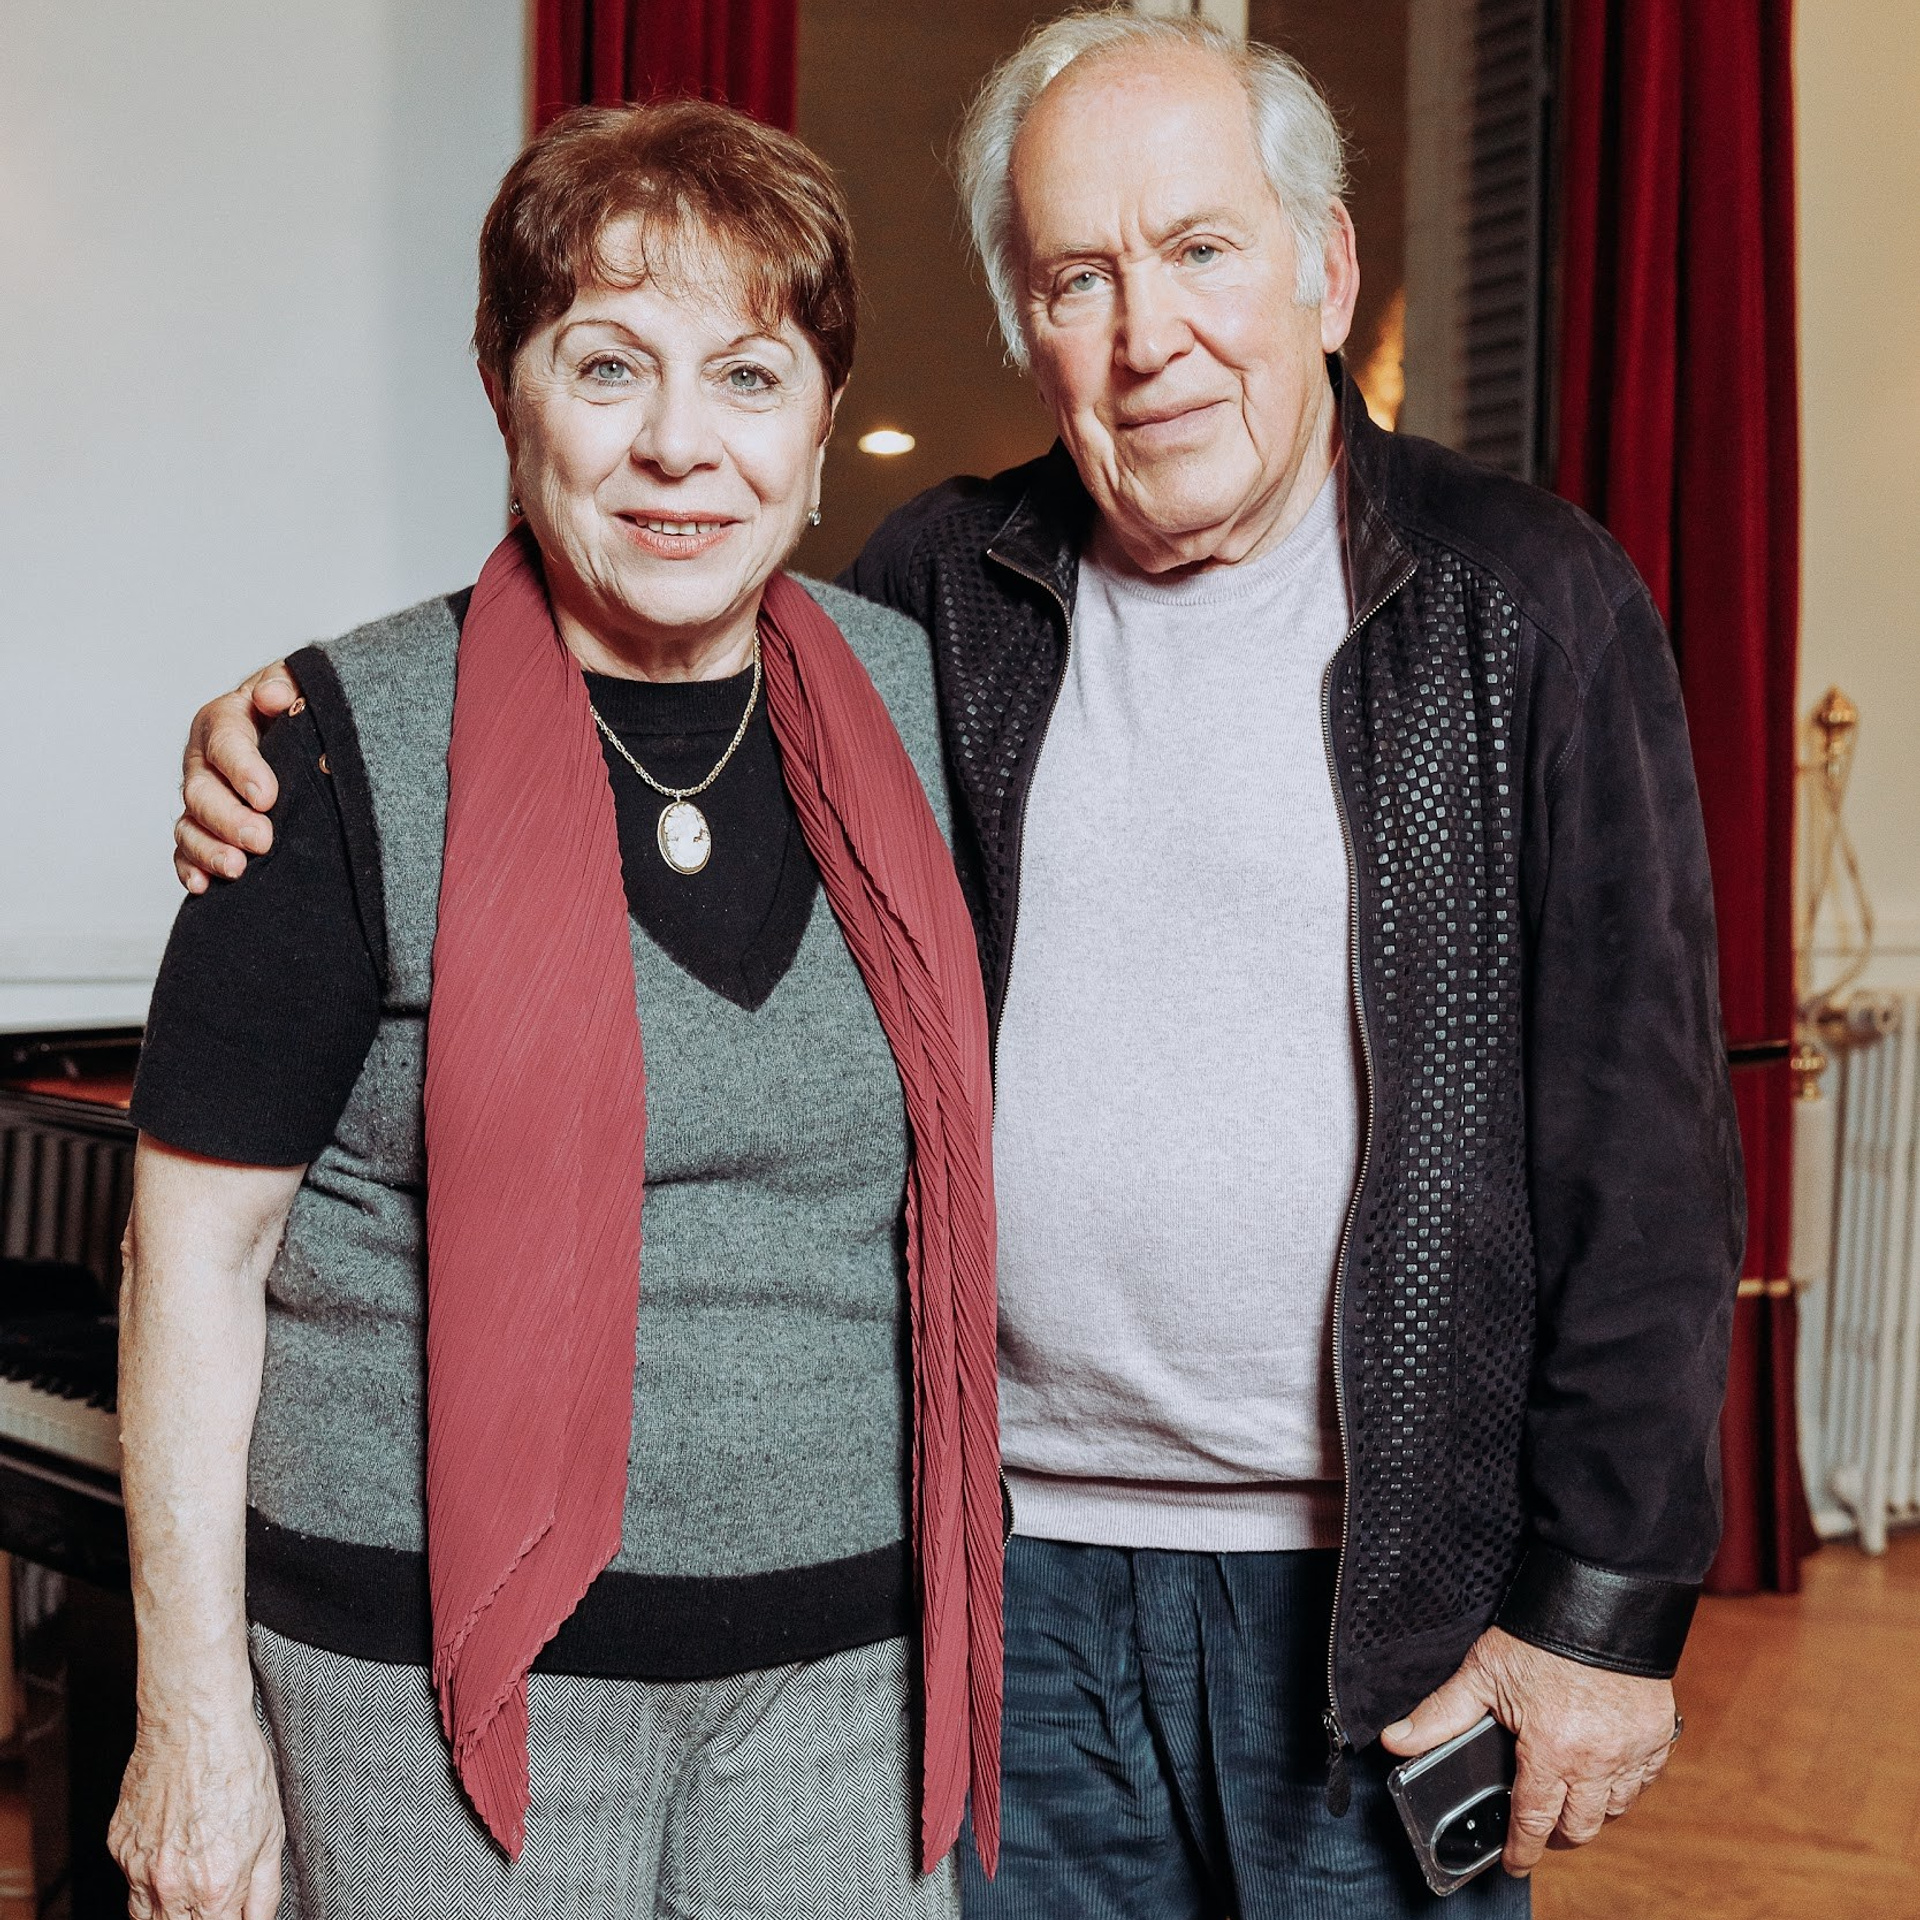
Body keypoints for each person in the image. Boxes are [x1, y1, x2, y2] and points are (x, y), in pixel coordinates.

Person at [175, 11, 1745, 1918]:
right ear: (1023, 323)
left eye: (1201, 249)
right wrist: (290, 730)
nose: (1145, 330)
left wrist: (1602, 1608)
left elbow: (1645, 1142)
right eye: (1078, 274)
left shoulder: (1531, 605)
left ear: (1326, 272)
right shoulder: (943, 594)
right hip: (1000, 1585)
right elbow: (604, 672)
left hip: (1378, 1599)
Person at [116, 99, 1003, 1920]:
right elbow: (192, 1264)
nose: (682, 444)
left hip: (851, 1695)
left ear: (822, 425)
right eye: (608, 367)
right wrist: (189, 1718)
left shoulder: (931, 703)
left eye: (750, 378)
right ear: (512, 394)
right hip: (422, 1693)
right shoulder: (333, 756)